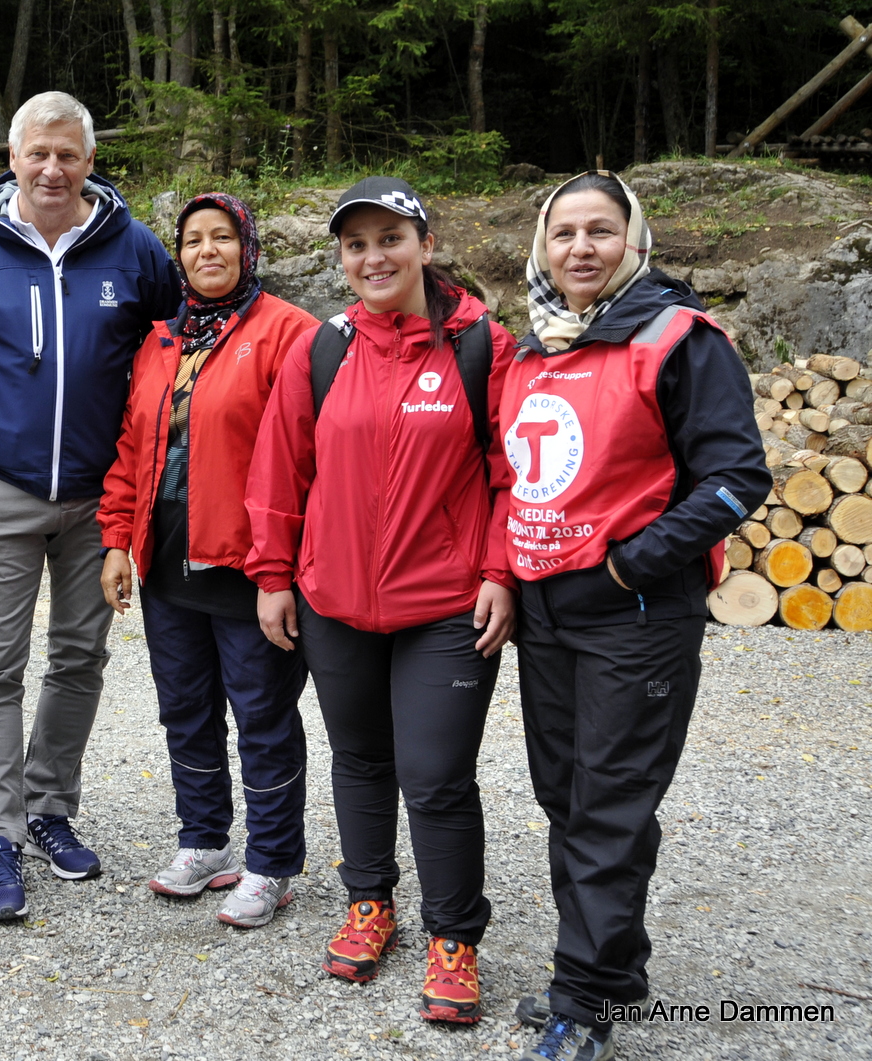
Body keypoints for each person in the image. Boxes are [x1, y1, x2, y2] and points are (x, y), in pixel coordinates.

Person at [501, 172, 769, 1061]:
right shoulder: (536, 349)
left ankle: (582, 997)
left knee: (610, 801)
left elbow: (735, 478)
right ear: (543, 247)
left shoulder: (679, 337)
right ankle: (611, 970)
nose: (581, 247)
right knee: (566, 794)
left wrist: (627, 565)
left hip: (634, 614)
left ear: (634, 239)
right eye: (564, 232)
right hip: (544, 611)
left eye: (600, 231)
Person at [246, 176, 519, 1023]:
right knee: (360, 761)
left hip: (446, 605)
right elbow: (281, 466)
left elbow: (514, 476)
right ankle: (369, 905)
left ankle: (454, 937)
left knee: (436, 776)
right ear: (342, 259)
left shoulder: (483, 346)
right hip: (333, 599)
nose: (374, 257)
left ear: (426, 246)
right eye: (357, 244)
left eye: (391, 239)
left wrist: (501, 571)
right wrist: (272, 574)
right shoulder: (322, 348)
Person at [0, 91, 180, 921]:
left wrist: (140, 482)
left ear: (91, 161)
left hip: (99, 502)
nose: (53, 169)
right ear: (13, 156)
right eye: (38, 153)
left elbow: (176, 357)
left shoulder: (134, 252)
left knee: (79, 657)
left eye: (68, 154)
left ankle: (49, 808)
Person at [98, 193, 316, 928]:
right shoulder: (162, 342)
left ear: (247, 247)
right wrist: (117, 540)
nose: (208, 251)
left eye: (223, 237)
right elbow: (132, 450)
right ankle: (204, 840)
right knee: (186, 712)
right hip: (167, 565)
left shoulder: (291, 333)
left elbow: (308, 460)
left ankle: (275, 859)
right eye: (193, 241)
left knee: (262, 715)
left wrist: (282, 570)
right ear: (179, 256)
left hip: (250, 568)